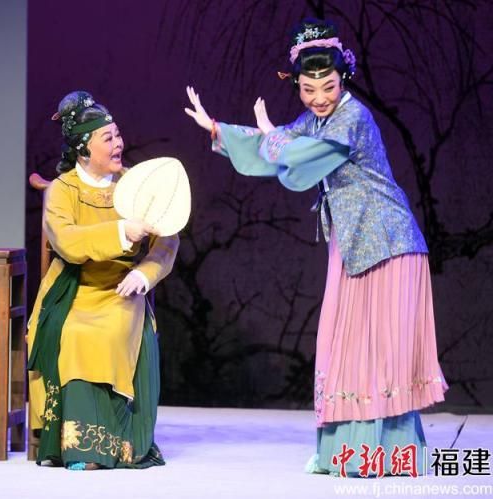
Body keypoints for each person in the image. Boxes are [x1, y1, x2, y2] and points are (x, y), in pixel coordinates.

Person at [184, 19, 447, 477]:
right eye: (308, 89)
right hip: (354, 243)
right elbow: (277, 145)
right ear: (298, 85)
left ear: (343, 79)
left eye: (328, 86)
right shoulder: (318, 120)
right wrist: (218, 130)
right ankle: (344, 451)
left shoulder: (352, 118)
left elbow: (300, 154)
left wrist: (273, 135)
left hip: (386, 241)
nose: (319, 98)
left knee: (375, 351)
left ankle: (380, 453)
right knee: (343, 345)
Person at [27, 91, 179, 470]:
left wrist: (145, 273)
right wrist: (121, 231)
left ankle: (112, 446)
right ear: (83, 149)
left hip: (121, 287)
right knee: (74, 332)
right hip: (73, 286)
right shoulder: (63, 190)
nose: (118, 144)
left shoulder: (135, 184)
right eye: (107, 138)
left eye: (118, 135)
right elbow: (66, 240)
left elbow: (167, 239)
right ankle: (75, 446)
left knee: (111, 332)